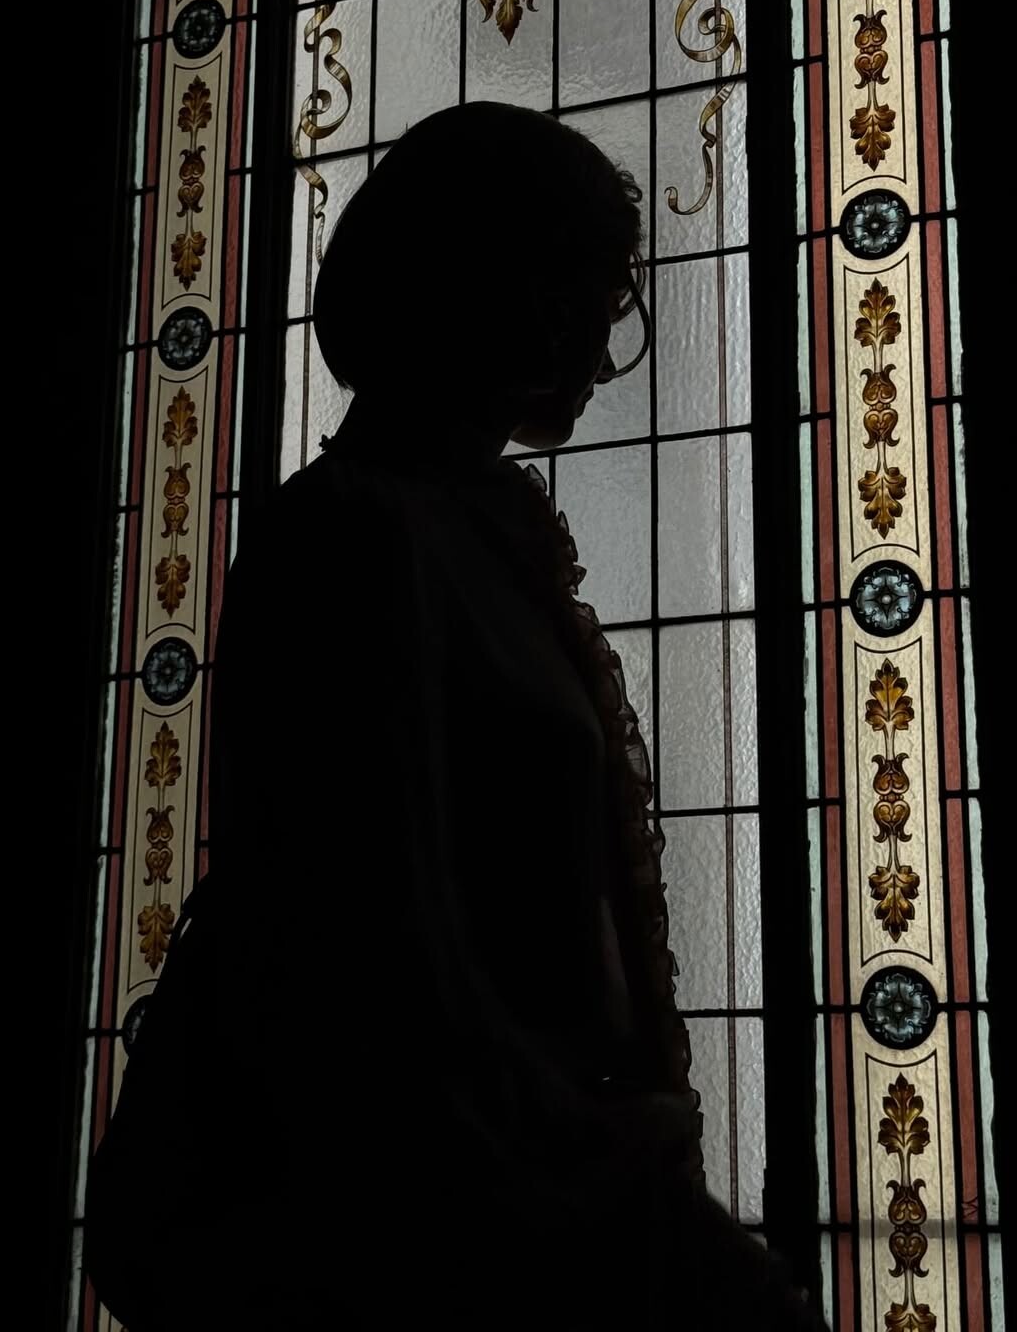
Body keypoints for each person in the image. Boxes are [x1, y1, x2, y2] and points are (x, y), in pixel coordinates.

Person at [87, 101, 827, 1327]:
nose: (603, 344)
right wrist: (609, 1194)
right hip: (444, 1222)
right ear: (502, 292)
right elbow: (386, 968)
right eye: (588, 293)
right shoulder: (356, 537)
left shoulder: (473, 535)